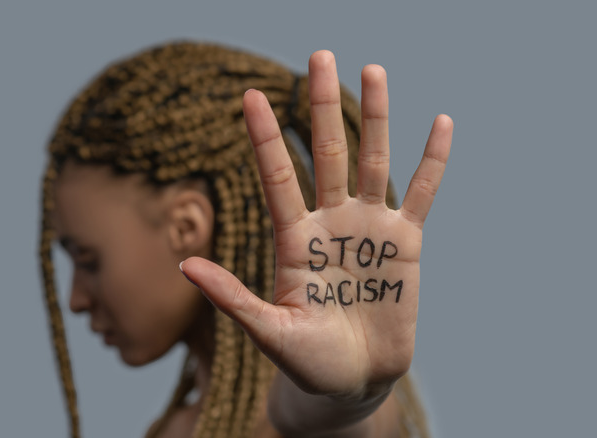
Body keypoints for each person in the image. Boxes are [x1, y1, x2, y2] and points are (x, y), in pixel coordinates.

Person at [37, 41, 452, 438]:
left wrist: (348, 394)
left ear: (186, 226)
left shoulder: (292, 412)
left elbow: (325, 416)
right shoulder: (178, 426)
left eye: (89, 260)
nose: (75, 300)